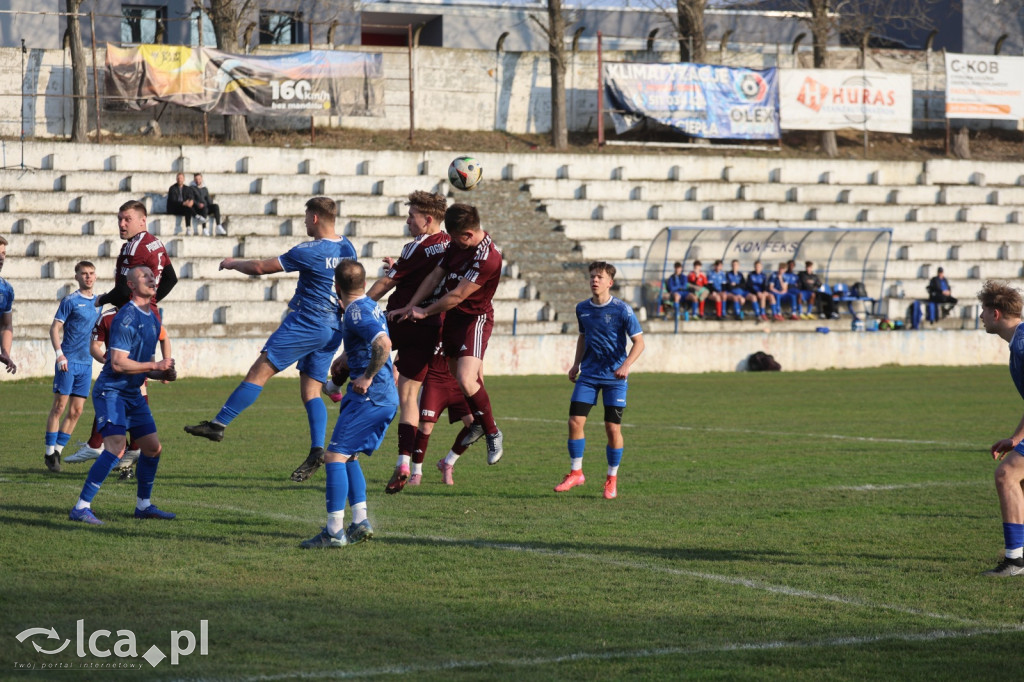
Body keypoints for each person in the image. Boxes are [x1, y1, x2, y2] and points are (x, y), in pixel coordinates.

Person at [186, 197, 357, 482]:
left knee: (260, 370)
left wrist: (232, 263)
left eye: (305, 216)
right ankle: (317, 450)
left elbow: (261, 267)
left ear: (314, 218)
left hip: (306, 321)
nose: (304, 221)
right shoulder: (347, 246)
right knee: (311, 392)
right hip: (332, 328)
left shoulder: (308, 250)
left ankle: (219, 424)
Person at [390, 203, 505, 471]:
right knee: (461, 378)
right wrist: (412, 305)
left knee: (466, 378)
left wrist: (425, 311)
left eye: (454, 238)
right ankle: (478, 422)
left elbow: (457, 296)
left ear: (467, 234)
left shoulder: (488, 257)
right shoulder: (457, 244)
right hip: (452, 318)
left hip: (474, 319)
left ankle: (492, 432)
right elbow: (435, 275)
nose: (450, 242)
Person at [360, 191, 459, 493]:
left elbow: (389, 281)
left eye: (411, 215)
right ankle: (404, 461)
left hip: (401, 319)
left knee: (357, 350)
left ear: (428, 220)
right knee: (409, 396)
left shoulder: (418, 246)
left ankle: (334, 386)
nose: (407, 220)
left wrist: (361, 303)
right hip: (432, 325)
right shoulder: (453, 246)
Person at [68, 266, 177, 525]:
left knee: (152, 448)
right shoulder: (126, 317)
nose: (152, 280)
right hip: (112, 391)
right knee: (116, 449)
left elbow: (145, 362)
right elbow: (117, 363)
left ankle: (143, 506)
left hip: (132, 394)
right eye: (145, 277)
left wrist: (162, 374)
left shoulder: (152, 317)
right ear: (130, 285)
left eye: (153, 276)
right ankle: (81, 507)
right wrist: (154, 367)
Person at [300, 260, 398, 549]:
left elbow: (383, 344)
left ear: (336, 287)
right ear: (364, 285)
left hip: (371, 395)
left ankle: (333, 532)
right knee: (349, 455)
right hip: (378, 396)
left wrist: (367, 377)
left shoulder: (354, 312)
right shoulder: (368, 305)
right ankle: (361, 522)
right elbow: (371, 342)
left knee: (334, 457)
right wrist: (346, 359)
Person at [554, 261, 644, 500]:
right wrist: (576, 364)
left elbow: (639, 342)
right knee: (575, 422)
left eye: (599, 277)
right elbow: (582, 337)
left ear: (610, 283)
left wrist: (626, 365)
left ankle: (611, 479)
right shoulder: (582, 308)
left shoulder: (622, 310)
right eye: (592, 276)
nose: (594, 280)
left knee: (612, 428)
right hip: (589, 376)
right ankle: (576, 473)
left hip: (615, 377)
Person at [978, 280, 1024, 576]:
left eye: (983, 310)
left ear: (996, 313)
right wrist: (1016, 438)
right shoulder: (1019, 341)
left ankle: (1015, 561)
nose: (980, 317)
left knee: (1006, 474)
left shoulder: (1021, 344)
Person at [43, 261, 100, 473]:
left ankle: (57, 451)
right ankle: (49, 451)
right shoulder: (70, 300)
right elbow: (54, 328)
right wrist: (60, 355)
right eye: (84, 273)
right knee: (59, 407)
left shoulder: (99, 302)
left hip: (86, 364)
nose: (88, 277)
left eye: (91, 273)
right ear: (76, 276)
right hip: (67, 362)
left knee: (76, 411)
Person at [95, 200, 177, 310]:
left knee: (99, 325)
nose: (121, 224)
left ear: (142, 221)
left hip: (131, 315)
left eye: (127, 219)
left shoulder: (135, 247)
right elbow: (171, 279)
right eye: (119, 219)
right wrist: (150, 302)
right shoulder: (156, 242)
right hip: (150, 312)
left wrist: (101, 300)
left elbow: (123, 291)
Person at [418, 345, 479, 486]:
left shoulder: (465, 328)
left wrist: (479, 381)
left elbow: (477, 358)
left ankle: (448, 462)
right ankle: (416, 472)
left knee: (475, 425)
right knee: (425, 426)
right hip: (434, 381)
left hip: (458, 381)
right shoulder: (432, 324)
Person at [0, 235, 15, 375]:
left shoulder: (6, 289)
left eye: (3, 253)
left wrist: (5, 353)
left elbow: (5, 325)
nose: (1, 257)